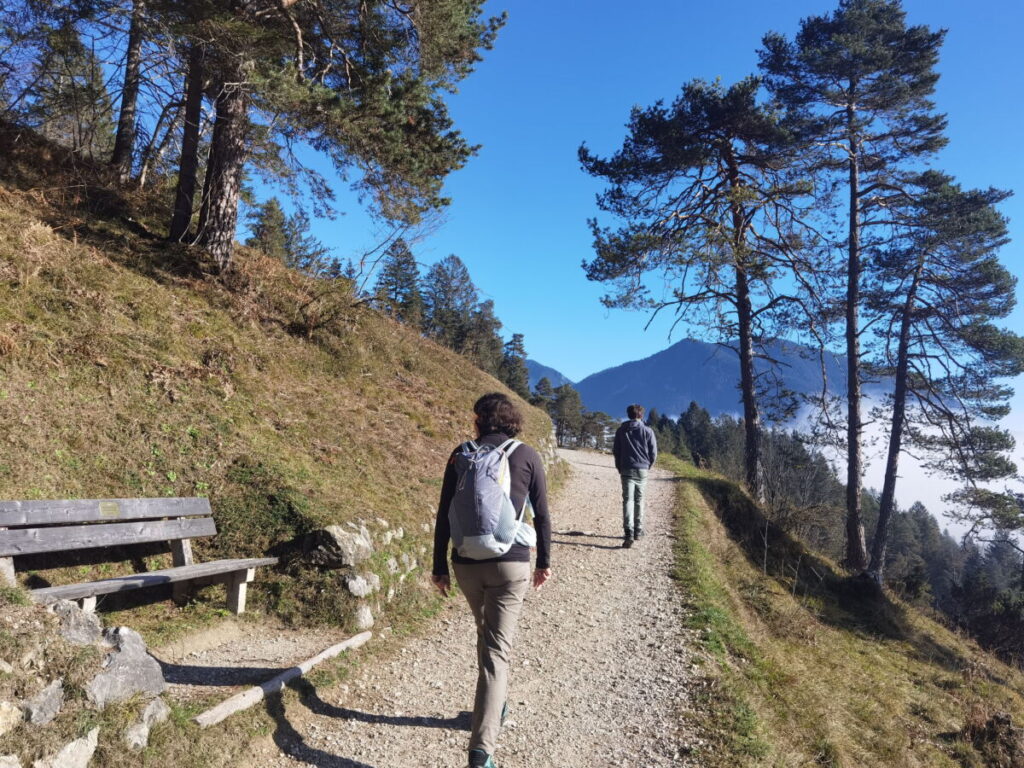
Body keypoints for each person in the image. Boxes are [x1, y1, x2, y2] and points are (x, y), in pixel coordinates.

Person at [431, 392, 552, 768]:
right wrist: (543, 562)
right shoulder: (527, 454)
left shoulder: (461, 453)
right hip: (510, 565)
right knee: (496, 653)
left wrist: (439, 567)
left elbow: (443, 514)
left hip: (466, 563)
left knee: (487, 638)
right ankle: (481, 751)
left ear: (479, 420)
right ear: (513, 420)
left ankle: (494, 705)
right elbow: (544, 516)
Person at [612, 403, 657, 548]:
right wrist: (648, 465)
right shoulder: (648, 431)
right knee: (639, 499)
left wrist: (619, 466)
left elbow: (616, 451)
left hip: (626, 469)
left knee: (627, 500)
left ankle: (628, 532)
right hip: (642, 469)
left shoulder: (621, 430)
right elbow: (653, 453)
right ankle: (638, 530)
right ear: (641, 415)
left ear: (628, 414)